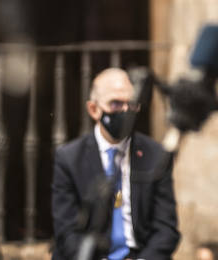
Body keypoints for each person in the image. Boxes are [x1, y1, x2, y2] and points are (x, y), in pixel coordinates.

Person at [51, 67, 179, 260]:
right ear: (94, 109)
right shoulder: (69, 158)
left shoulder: (155, 155)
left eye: (131, 104)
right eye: (116, 104)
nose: (125, 111)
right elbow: (66, 231)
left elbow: (166, 229)